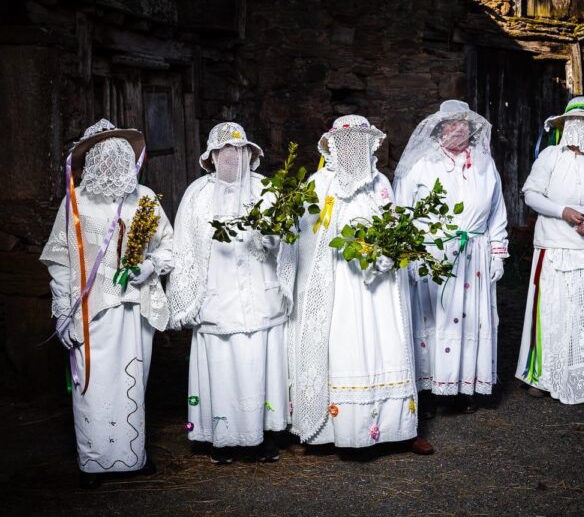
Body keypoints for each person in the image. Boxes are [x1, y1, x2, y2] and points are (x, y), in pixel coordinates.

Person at [40, 119, 173, 488]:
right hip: (93, 308)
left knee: (132, 380)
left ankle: (132, 457)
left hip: (135, 306)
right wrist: (63, 311)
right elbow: (61, 260)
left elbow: (168, 246)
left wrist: (148, 267)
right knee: (93, 384)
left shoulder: (144, 197)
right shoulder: (76, 201)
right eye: (106, 155)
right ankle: (94, 462)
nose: (114, 162)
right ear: (93, 160)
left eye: (120, 155)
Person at [289, 114, 432, 455]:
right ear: (333, 147)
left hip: (381, 286)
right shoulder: (319, 185)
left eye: (360, 143)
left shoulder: (380, 183)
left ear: (370, 146)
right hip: (340, 283)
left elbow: (392, 224)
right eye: (347, 143)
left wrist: (389, 254)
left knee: (389, 344)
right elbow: (308, 240)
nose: (354, 150)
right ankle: (334, 430)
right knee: (345, 346)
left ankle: (399, 428)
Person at [167, 123, 292, 464]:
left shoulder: (266, 190)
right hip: (217, 297)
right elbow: (184, 247)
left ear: (250, 154)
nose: (232, 158)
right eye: (224, 152)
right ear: (211, 157)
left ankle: (265, 434)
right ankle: (222, 438)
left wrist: (274, 239)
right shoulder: (198, 194)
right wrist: (187, 294)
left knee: (258, 362)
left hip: (259, 294)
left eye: (238, 151)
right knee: (222, 366)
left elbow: (287, 241)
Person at [394, 100, 508, 415]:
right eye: (451, 123)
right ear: (440, 127)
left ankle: (461, 388)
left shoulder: (485, 163)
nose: (457, 129)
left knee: (468, 320)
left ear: (471, 128)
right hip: (433, 256)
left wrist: (497, 252)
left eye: (463, 124)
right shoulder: (421, 163)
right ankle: (428, 391)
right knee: (433, 318)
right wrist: (410, 254)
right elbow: (402, 210)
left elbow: (497, 210)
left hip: (474, 256)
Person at [514, 96, 584, 404]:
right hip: (556, 243)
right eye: (574, 122)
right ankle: (544, 375)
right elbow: (531, 194)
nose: (580, 128)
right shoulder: (550, 156)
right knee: (555, 309)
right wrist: (562, 211)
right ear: (565, 125)